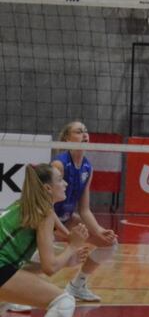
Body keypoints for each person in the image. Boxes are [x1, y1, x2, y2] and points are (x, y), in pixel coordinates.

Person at [0, 163, 91, 317]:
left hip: (4, 268)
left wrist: (66, 258)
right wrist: (72, 247)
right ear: (48, 188)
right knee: (63, 302)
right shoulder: (44, 214)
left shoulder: (25, 205)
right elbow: (50, 268)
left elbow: (26, 266)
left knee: (35, 260)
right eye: (60, 180)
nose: (65, 183)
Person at [51, 120, 118, 302]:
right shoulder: (59, 165)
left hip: (66, 218)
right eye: (79, 131)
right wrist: (68, 237)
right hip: (46, 219)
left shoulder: (87, 168)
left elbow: (85, 209)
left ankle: (77, 286)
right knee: (38, 255)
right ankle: (15, 294)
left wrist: (98, 231)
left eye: (85, 131)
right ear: (67, 138)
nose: (85, 134)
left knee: (109, 243)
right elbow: (45, 209)